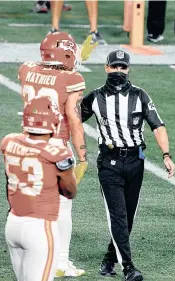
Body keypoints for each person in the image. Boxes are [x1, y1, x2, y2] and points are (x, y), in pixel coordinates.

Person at [81, 49, 175, 280]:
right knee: (119, 216)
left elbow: (157, 126)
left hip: (135, 161)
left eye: (122, 67)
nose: (118, 71)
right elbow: (73, 122)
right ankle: (128, 268)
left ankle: (109, 259)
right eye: (114, 67)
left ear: (128, 69)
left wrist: (166, 154)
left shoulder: (140, 95)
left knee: (128, 218)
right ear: (106, 68)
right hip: (109, 163)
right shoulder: (94, 98)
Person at [18, 31, 88, 277]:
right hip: (55, 145)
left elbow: (43, 72)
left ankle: (32, 256)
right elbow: (75, 121)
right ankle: (60, 261)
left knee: (29, 204)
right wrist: (82, 157)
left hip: (27, 145)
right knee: (62, 208)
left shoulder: (26, 70)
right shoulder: (72, 79)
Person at [1, 97, 78, 281]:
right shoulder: (59, 154)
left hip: (13, 223)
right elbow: (70, 192)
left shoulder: (9, 142)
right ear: (53, 123)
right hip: (40, 227)